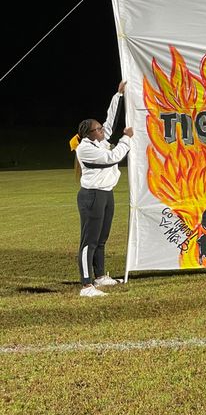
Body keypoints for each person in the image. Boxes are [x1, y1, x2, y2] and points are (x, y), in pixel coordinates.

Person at [69, 80, 133, 297]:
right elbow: (113, 157)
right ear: (89, 134)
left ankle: (100, 276)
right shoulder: (85, 149)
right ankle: (86, 286)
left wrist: (119, 95)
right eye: (98, 128)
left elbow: (110, 120)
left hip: (106, 194)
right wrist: (127, 138)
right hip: (92, 196)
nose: (102, 129)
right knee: (89, 240)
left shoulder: (98, 141)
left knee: (102, 238)